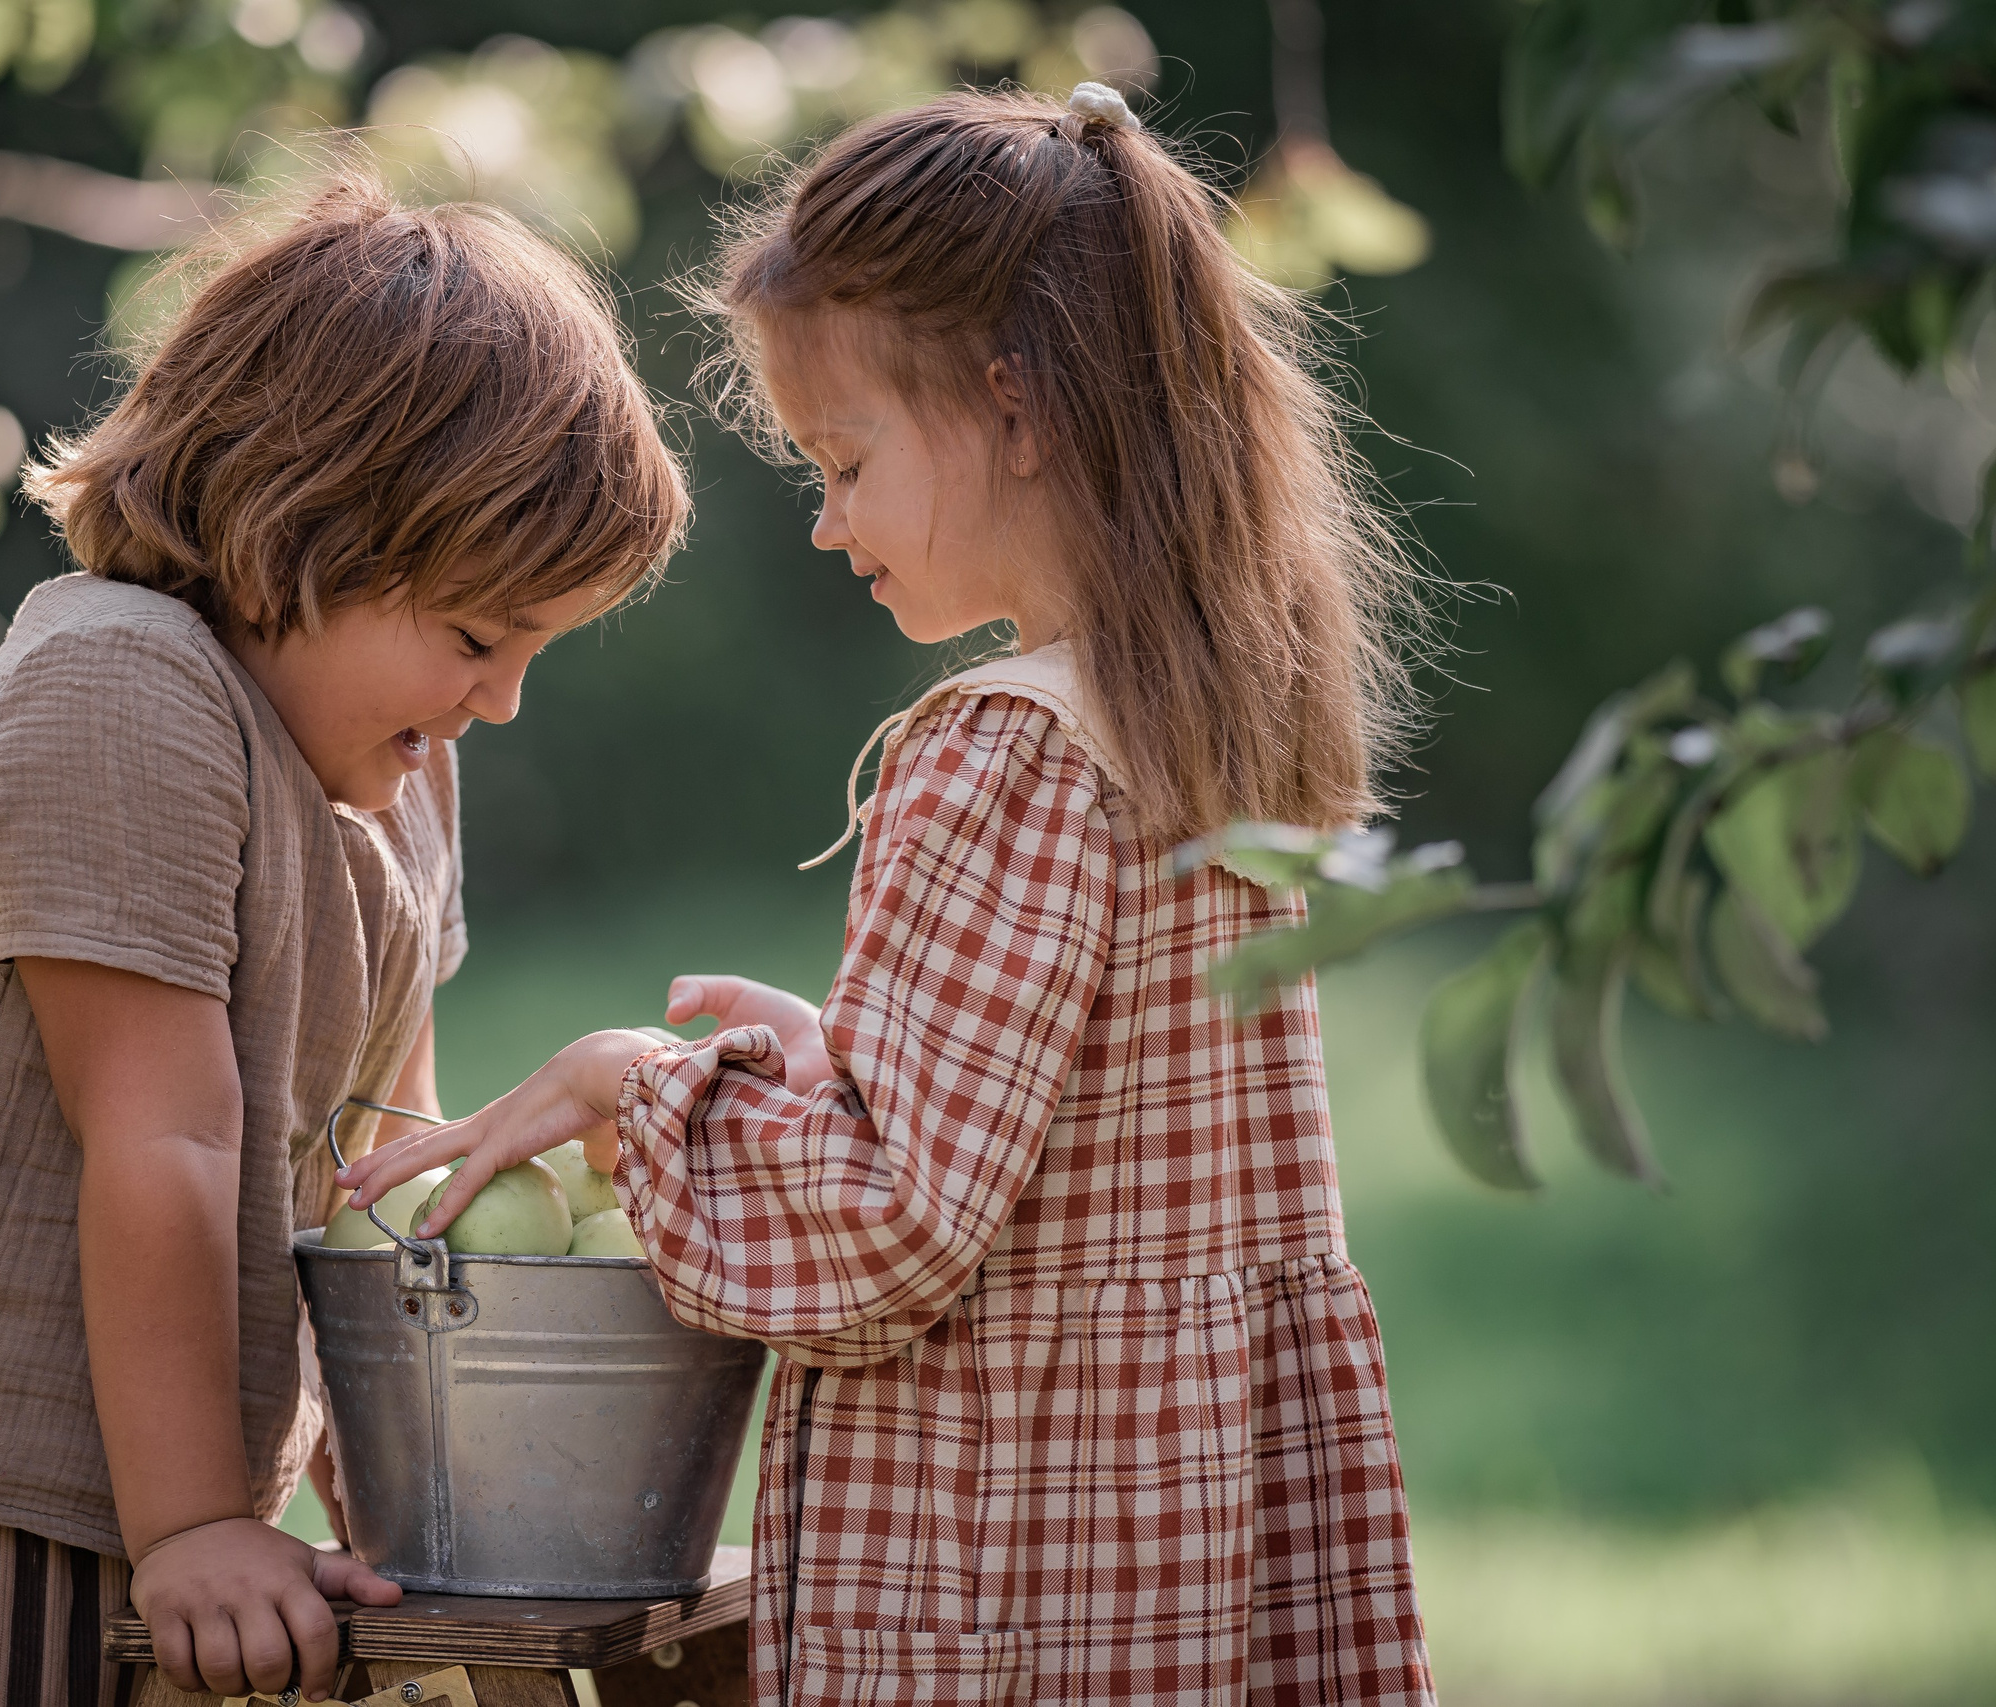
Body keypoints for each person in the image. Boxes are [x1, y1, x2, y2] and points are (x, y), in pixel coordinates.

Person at [340, 87, 1435, 1705]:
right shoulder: (1200, 728)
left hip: (1023, 1565)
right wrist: (842, 1070)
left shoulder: (1002, 751)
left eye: (845, 460)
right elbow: (1037, 1140)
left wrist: (632, 1094)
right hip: (1185, 1533)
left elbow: (895, 1226)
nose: (827, 518)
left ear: (1019, 408)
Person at [0, 174, 688, 1707]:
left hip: (167, 1537)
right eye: (480, 639)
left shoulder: (393, 766)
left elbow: (376, 1148)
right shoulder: (122, 688)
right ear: (306, 526)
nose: (503, 699)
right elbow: (163, 1135)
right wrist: (201, 1517)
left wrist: (391, 1417)